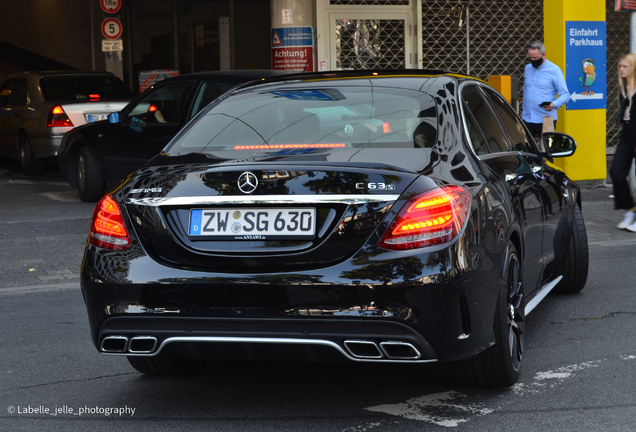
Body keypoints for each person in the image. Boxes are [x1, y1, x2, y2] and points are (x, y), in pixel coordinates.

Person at [522, 41, 571, 142]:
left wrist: (554, 104)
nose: (532, 60)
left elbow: (565, 94)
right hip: (527, 118)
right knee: (525, 149)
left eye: (535, 58)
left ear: (543, 54)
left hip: (545, 119)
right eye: (530, 58)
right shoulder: (527, 68)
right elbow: (526, 91)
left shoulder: (554, 70)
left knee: (547, 151)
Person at [609, 53, 636, 230]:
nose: (621, 69)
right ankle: (631, 210)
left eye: (625, 66)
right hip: (627, 135)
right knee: (616, 173)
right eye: (620, 66)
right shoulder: (623, 88)